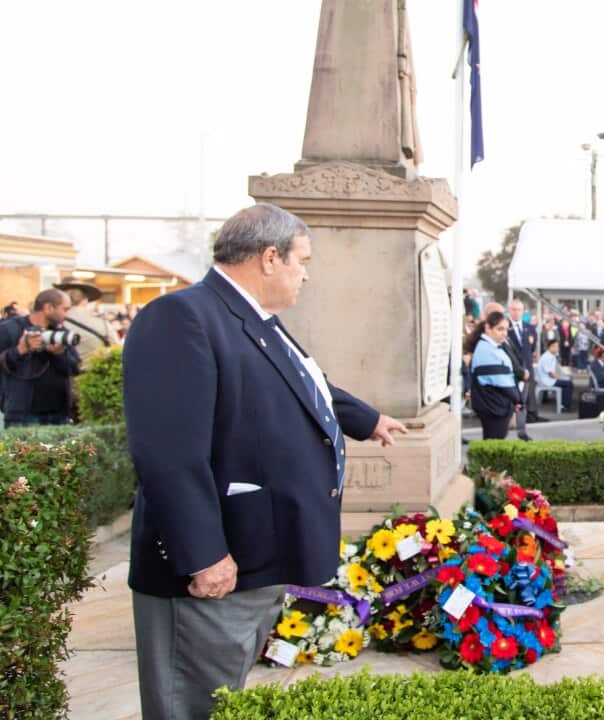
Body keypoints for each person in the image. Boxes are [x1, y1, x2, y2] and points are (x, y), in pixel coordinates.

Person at [122, 203, 406, 719]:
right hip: (213, 567)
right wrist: (203, 555)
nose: (307, 272)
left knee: (222, 695)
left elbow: (302, 385)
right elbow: (168, 454)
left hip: (255, 558)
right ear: (269, 258)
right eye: (303, 260)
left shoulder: (254, 320)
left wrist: (365, 419)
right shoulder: (181, 317)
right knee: (190, 703)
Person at [0, 288, 81, 427]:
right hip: (22, 415)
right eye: (65, 309)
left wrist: (59, 353)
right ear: (49, 307)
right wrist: (20, 350)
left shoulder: (61, 333)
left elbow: (74, 369)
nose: (66, 315)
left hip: (59, 415)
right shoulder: (9, 329)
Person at [469, 310, 522, 439]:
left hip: (495, 405)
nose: (504, 333)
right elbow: (502, 381)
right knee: (494, 444)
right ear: (488, 328)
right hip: (494, 406)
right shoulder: (486, 349)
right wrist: (517, 399)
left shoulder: (490, 346)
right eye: (500, 329)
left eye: (506, 329)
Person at [56, 279, 116, 358]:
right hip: (94, 369)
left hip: (65, 369)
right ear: (85, 301)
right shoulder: (103, 324)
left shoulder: (55, 323)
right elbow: (116, 349)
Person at [535, 339, 574, 412]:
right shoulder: (547, 357)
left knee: (566, 381)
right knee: (568, 383)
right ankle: (564, 406)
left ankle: (563, 403)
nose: (557, 348)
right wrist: (560, 378)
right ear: (551, 347)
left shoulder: (550, 356)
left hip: (548, 379)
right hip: (547, 381)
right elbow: (550, 373)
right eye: (556, 347)